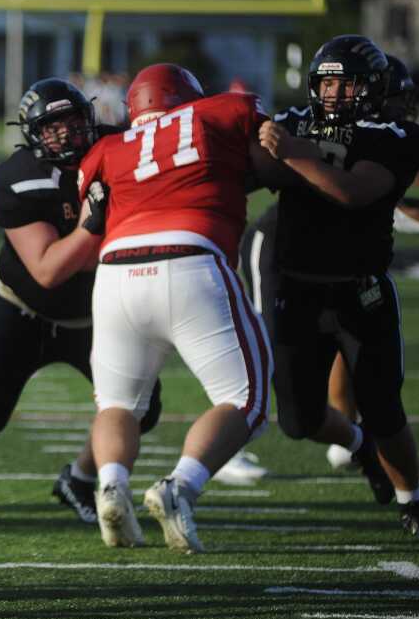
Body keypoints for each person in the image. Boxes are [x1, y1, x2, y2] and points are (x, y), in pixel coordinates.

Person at [0, 78, 161, 526]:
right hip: (24, 309)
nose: (67, 134)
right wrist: (94, 224)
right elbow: (49, 270)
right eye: (52, 128)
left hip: (98, 311)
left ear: (91, 118)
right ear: (32, 134)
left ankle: (79, 477)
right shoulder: (18, 177)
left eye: (73, 122)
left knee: (136, 405)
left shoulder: (121, 146)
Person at [74, 63, 284, 552]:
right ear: (190, 97)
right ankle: (180, 486)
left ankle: (111, 486)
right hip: (191, 258)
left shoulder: (107, 149)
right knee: (245, 399)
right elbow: (272, 163)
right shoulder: (223, 111)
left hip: (115, 271)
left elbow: (92, 215)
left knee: (116, 403)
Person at [258, 34, 419, 540]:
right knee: (297, 421)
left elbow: (353, 191)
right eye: (328, 83)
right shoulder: (292, 120)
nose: (336, 94)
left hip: (360, 293)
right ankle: (360, 447)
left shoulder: (396, 136)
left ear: (372, 87)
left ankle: (414, 503)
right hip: (297, 291)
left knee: (385, 408)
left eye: (347, 84)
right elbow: (251, 170)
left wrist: (293, 152)